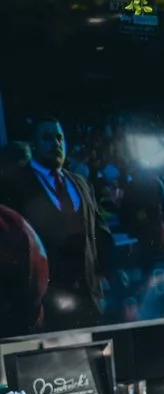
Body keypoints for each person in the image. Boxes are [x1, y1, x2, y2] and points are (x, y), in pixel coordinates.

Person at [0, 117, 112, 331]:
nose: (56, 143)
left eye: (60, 137)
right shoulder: (15, 185)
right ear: (34, 145)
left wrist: (104, 276)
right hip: (49, 308)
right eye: (48, 138)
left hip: (91, 301)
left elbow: (100, 231)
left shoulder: (81, 183)